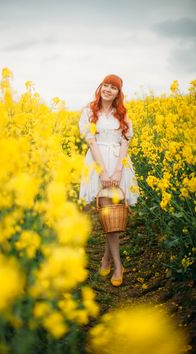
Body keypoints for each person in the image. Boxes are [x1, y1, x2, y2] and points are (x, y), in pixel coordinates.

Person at [78, 74, 140, 286]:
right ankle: (118, 265)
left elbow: (125, 142)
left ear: (118, 92)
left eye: (113, 87)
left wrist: (118, 172)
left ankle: (106, 259)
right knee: (108, 216)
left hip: (119, 164)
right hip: (98, 163)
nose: (108, 89)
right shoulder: (89, 110)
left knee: (113, 216)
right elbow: (91, 142)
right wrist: (103, 172)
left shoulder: (122, 113)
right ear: (100, 87)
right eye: (106, 85)